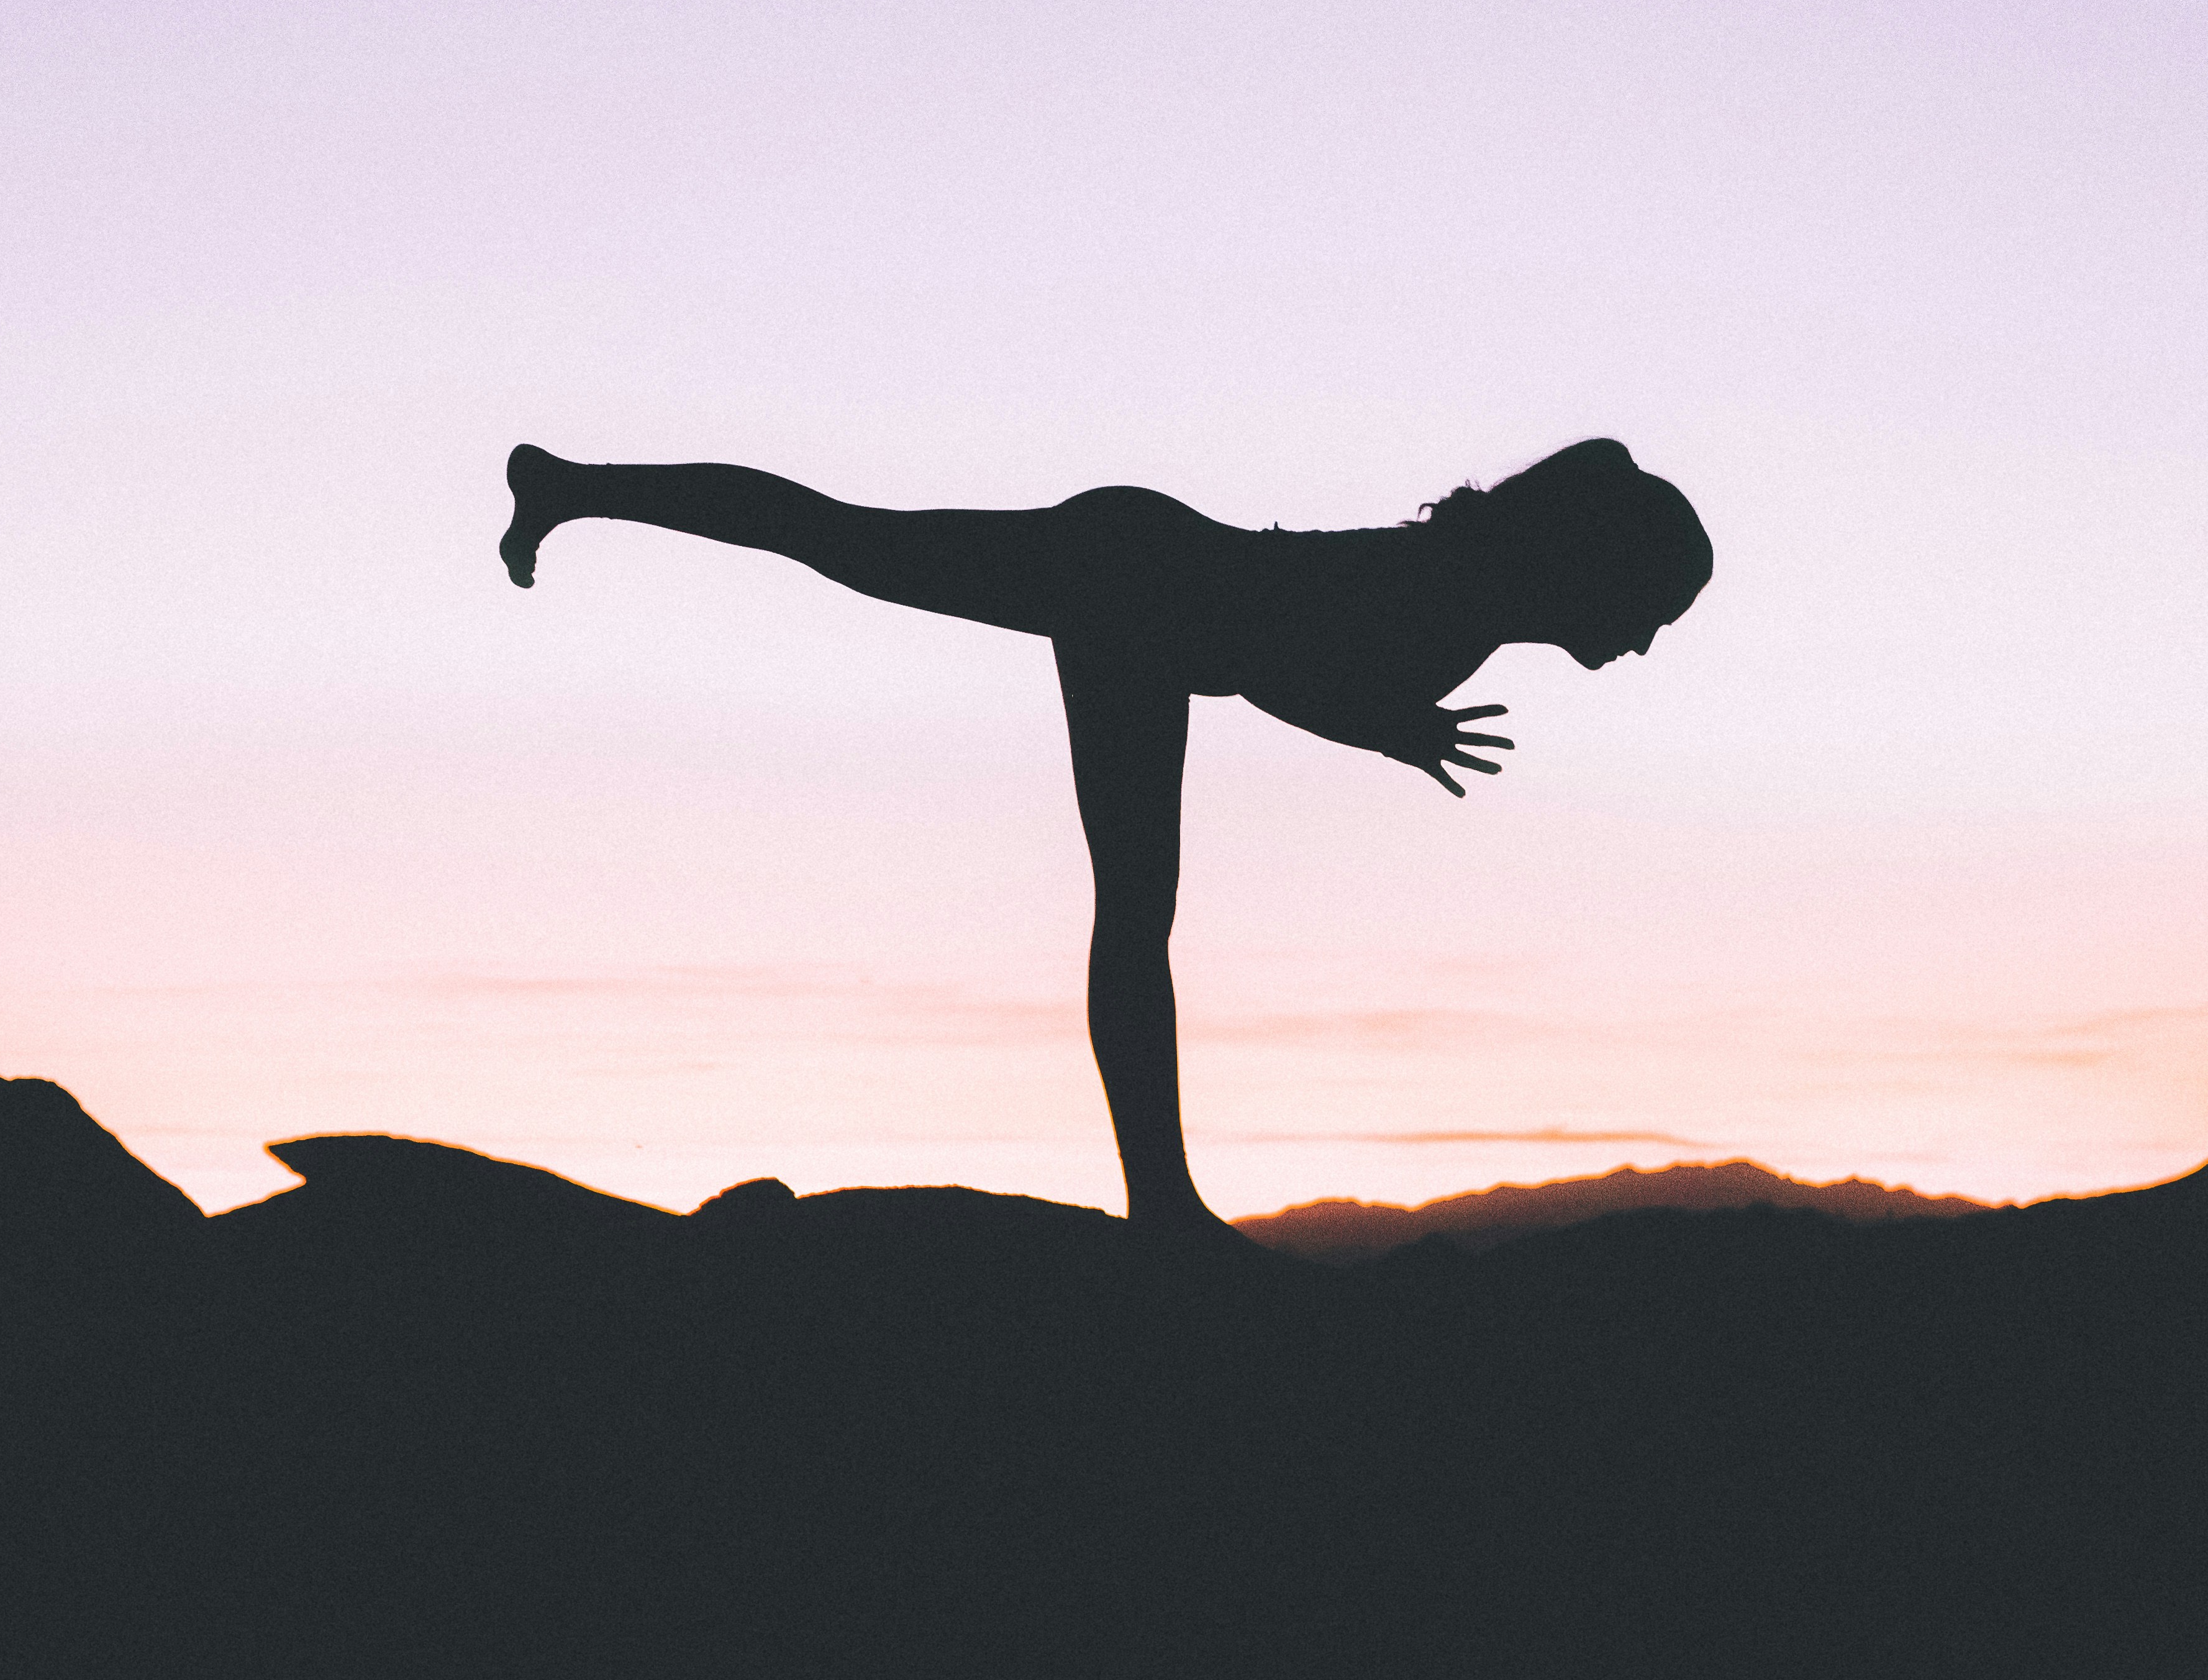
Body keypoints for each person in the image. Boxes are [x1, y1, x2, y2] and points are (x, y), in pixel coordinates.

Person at [499, 438, 1712, 1251]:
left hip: (1143, 569)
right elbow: (1280, 667)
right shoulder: (1456, 604)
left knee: (843, 538)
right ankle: (1165, 1210)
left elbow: (1581, 469)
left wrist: (1386, 725)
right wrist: (1390, 730)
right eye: (1653, 612)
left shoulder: (1474, 590)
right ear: (1598, 573)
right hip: (1137, 589)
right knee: (1134, 907)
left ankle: (565, 486)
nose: (1648, 645)